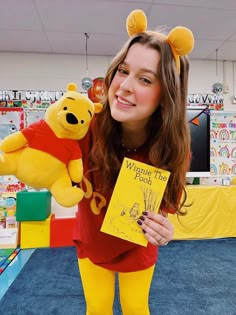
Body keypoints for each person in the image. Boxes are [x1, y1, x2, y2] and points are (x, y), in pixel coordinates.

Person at [73, 9, 194, 315]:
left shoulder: (173, 150)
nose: (125, 86)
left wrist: (164, 230)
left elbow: (164, 210)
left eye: (144, 79)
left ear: (166, 95)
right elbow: (41, 160)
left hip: (136, 248)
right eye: (123, 71)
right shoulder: (85, 126)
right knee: (97, 308)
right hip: (91, 243)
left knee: (136, 308)